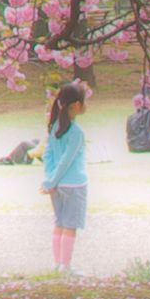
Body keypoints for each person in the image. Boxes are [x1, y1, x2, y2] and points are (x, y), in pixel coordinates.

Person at [41, 79, 92, 274]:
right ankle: (65, 266)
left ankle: (57, 263)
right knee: (70, 225)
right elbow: (67, 160)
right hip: (74, 185)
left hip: (57, 186)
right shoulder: (76, 132)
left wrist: (49, 180)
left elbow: (49, 155)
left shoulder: (54, 127)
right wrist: (51, 181)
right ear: (77, 105)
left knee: (59, 223)